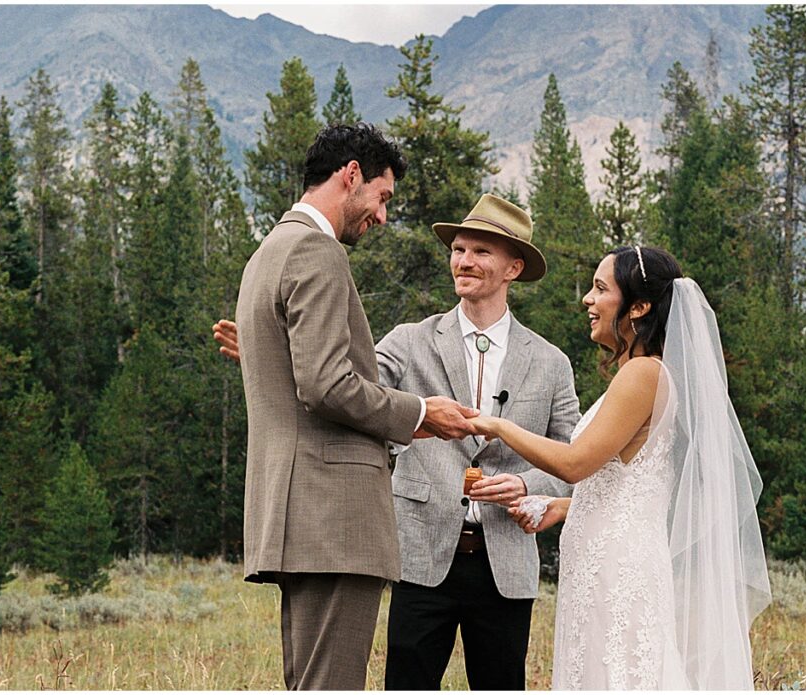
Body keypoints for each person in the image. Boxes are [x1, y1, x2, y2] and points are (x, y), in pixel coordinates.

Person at [216, 194, 579, 690]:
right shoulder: (408, 341)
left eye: (480, 252)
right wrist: (273, 352)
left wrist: (522, 482)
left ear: (514, 267)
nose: (464, 261)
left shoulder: (551, 362)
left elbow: (570, 458)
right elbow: (341, 388)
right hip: (420, 556)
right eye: (458, 249)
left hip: (506, 563)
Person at [231, 122, 477, 691]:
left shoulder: (269, 251)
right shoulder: (317, 252)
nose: (384, 216)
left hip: (295, 513)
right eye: (383, 197)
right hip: (332, 519)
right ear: (350, 176)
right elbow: (324, 383)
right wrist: (420, 414)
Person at [470, 246, 772, 689]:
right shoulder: (645, 373)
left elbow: (575, 463)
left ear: (639, 306)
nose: (587, 301)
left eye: (599, 289)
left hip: (617, 566)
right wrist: (561, 507)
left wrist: (497, 425)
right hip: (606, 556)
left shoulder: (643, 374)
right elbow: (635, 482)